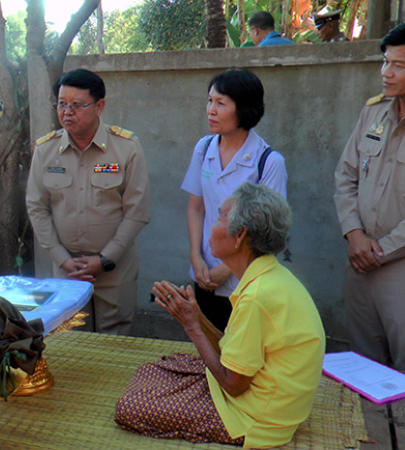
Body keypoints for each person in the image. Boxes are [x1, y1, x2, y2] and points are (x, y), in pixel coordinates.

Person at [118, 183, 324, 448]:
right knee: (159, 367)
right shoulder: (270, 277)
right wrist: (195, 316)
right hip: (264, 397)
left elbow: (233, 384)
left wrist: (192, 326)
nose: (211, 228)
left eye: (219, 218)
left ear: (239, 236)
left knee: (130, 406)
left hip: (256, 419)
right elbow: (233, 353)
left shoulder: (258, 296)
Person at [26, 69, 150, 335]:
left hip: (114, 270)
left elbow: (137, 212)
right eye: (61, 104)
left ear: (99, 107)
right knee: (71, 344)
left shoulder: (126, 148)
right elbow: (37, 208)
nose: (67, 112)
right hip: (66, 269)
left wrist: (105, 259)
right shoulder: (46, 150)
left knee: (115, 341)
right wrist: (61, 259)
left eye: (77, 105)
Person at [181, 68, 287, 332]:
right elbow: (196, 208)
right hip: (204, 274)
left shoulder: (268, 162)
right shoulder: (203, 148)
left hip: (245, 282)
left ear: (244, 109)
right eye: (209, 101)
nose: (210, 110)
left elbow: (265, 232)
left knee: (239, 358)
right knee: (207, 351)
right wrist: (196, 257)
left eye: (221, 103)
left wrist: (226, 268)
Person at [334, 22, 405, 371]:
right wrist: (354, 234)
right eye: (385, 62)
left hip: (398, 267)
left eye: (398, 65)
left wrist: (381, 250)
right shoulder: (373, 112)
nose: (386, 73)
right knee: (363, 369)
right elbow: (345, 176)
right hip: (359, 262)